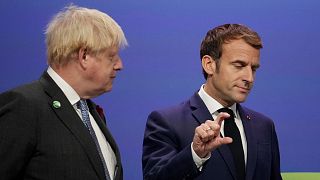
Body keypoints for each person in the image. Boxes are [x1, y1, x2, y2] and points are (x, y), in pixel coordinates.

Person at [0, 5, 127, 180]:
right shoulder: (25, 106)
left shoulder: (89, 112)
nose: (120, 65)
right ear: (84, 56)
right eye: (111, 57)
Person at [142, 24, 282, 180]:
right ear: (209, 65)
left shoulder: (264, 126)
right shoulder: (167, 122)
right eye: (239, 66)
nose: (249, 78)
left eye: (254, 68)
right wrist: (195, 154)